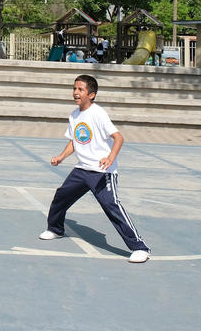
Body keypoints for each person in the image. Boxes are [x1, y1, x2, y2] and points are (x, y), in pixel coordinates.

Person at [38, 74, 151, 263]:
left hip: (101, 172)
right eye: (74, 88)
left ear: (91, 95)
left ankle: (140, 247)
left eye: (80, 89)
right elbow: (75, 141)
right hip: (82, 170)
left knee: (111, 206)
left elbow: (119, 137)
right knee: (61, 197)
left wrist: (110, 158)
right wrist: (61, 157)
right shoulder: (74, 115)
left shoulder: (98, 113)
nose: (75, 92)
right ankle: (55, 229)